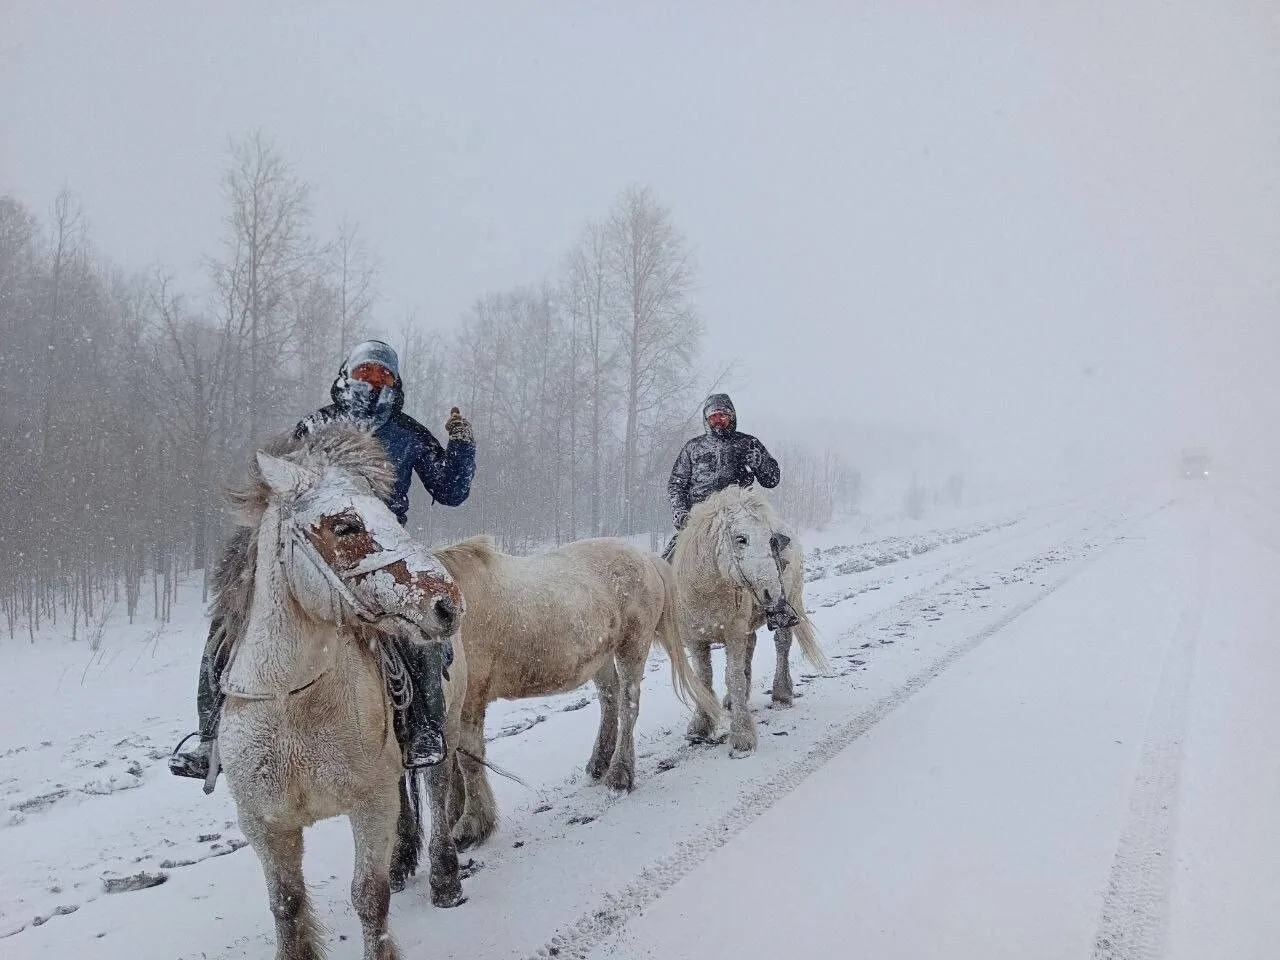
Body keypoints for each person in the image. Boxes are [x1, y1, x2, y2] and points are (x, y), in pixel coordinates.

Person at [170, 340, 476, 784]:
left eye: (382, 377)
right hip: (321, 551)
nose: (372, 385)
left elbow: (451, 490)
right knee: (228, 624)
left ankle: (424, 729)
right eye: (365, 375)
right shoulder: (314, 427)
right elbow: (282, 487)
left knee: (417, 628)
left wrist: (462, 446)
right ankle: (212, 737)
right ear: (345, 376)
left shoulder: (407, 433)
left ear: (394, 383)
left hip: (381, 554)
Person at [663, 393, 797, 629]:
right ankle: (666, 613)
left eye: (723, 416)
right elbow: (676, 485)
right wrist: (681, 514)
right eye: (713, 417)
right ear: (706, 420)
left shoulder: (748, 443)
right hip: (702, 521)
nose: (718, 421)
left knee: (771, 551)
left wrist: (760, 462)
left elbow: (772, 479)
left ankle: (778, 607)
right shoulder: (692, 448)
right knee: (667, 562)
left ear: (732, 417)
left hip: (741, 516)